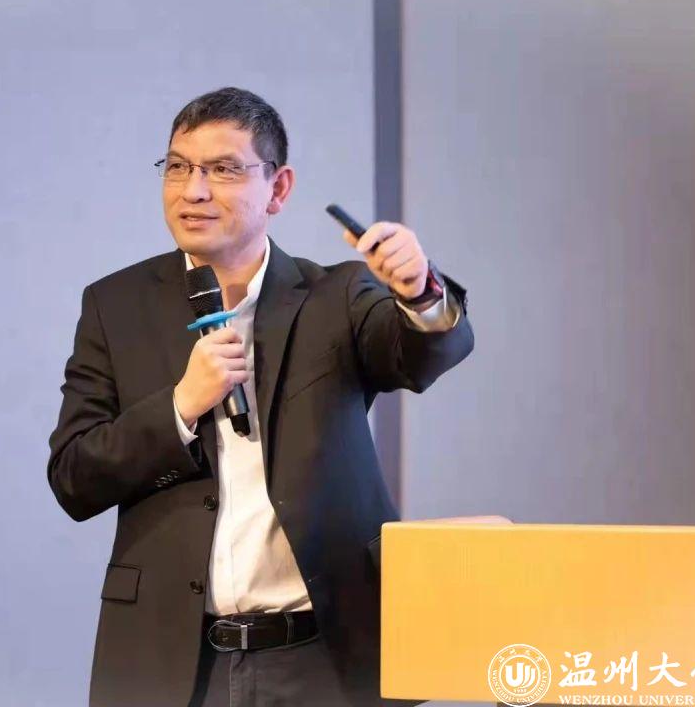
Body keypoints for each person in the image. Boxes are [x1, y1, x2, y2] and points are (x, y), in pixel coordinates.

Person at [47, 86, 474, 707]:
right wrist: (180, 406)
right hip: (172, 664)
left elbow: (423, 353)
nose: (193, 191)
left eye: (223, 169)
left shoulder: (336, 296)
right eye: (178, 167)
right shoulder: (115, 306)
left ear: (278, 188)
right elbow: (74, 477)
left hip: (325, 660)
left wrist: (419, 291)